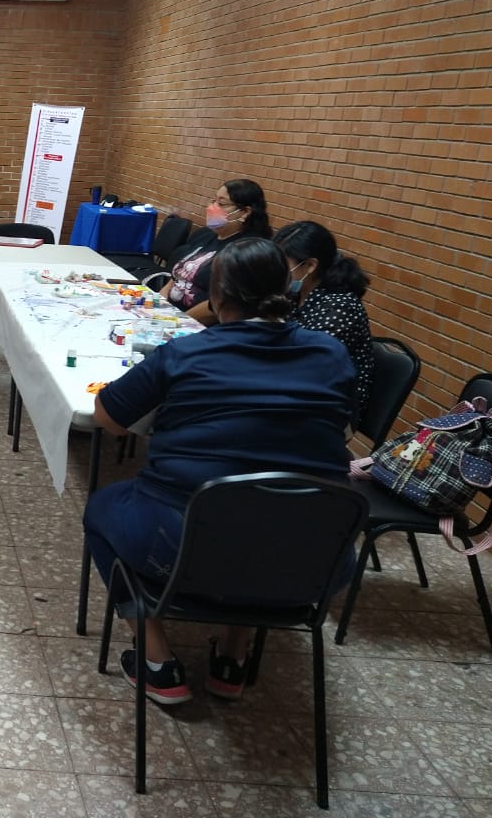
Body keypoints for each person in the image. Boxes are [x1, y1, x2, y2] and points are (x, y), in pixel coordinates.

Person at [83, 237, 354, 705]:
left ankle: (157, 660)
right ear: (287, 289)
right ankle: (233, 654)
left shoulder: (185, 353)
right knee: (263, 512)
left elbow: (107, 417)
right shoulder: (330, 354)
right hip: (314, 557)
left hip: (184, 545)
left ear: (217, 297)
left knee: (102, 508)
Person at [274, 220, 374, 427]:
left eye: (283, 264)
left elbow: (303, 367)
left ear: (310, 265)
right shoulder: (297, 294)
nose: (276, 271)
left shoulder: (339, 307)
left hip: (330, 409)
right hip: (294, 389)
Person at [160, 179, 271, 325]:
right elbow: (180, 275)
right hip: (169, 315)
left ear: (245, 212)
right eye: (214, 200)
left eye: (222, 204)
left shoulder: (245, 251)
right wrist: (159, 301)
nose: (213, 207)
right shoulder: (204, 235)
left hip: (197, 324)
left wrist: (179, 321)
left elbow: (219, 302)